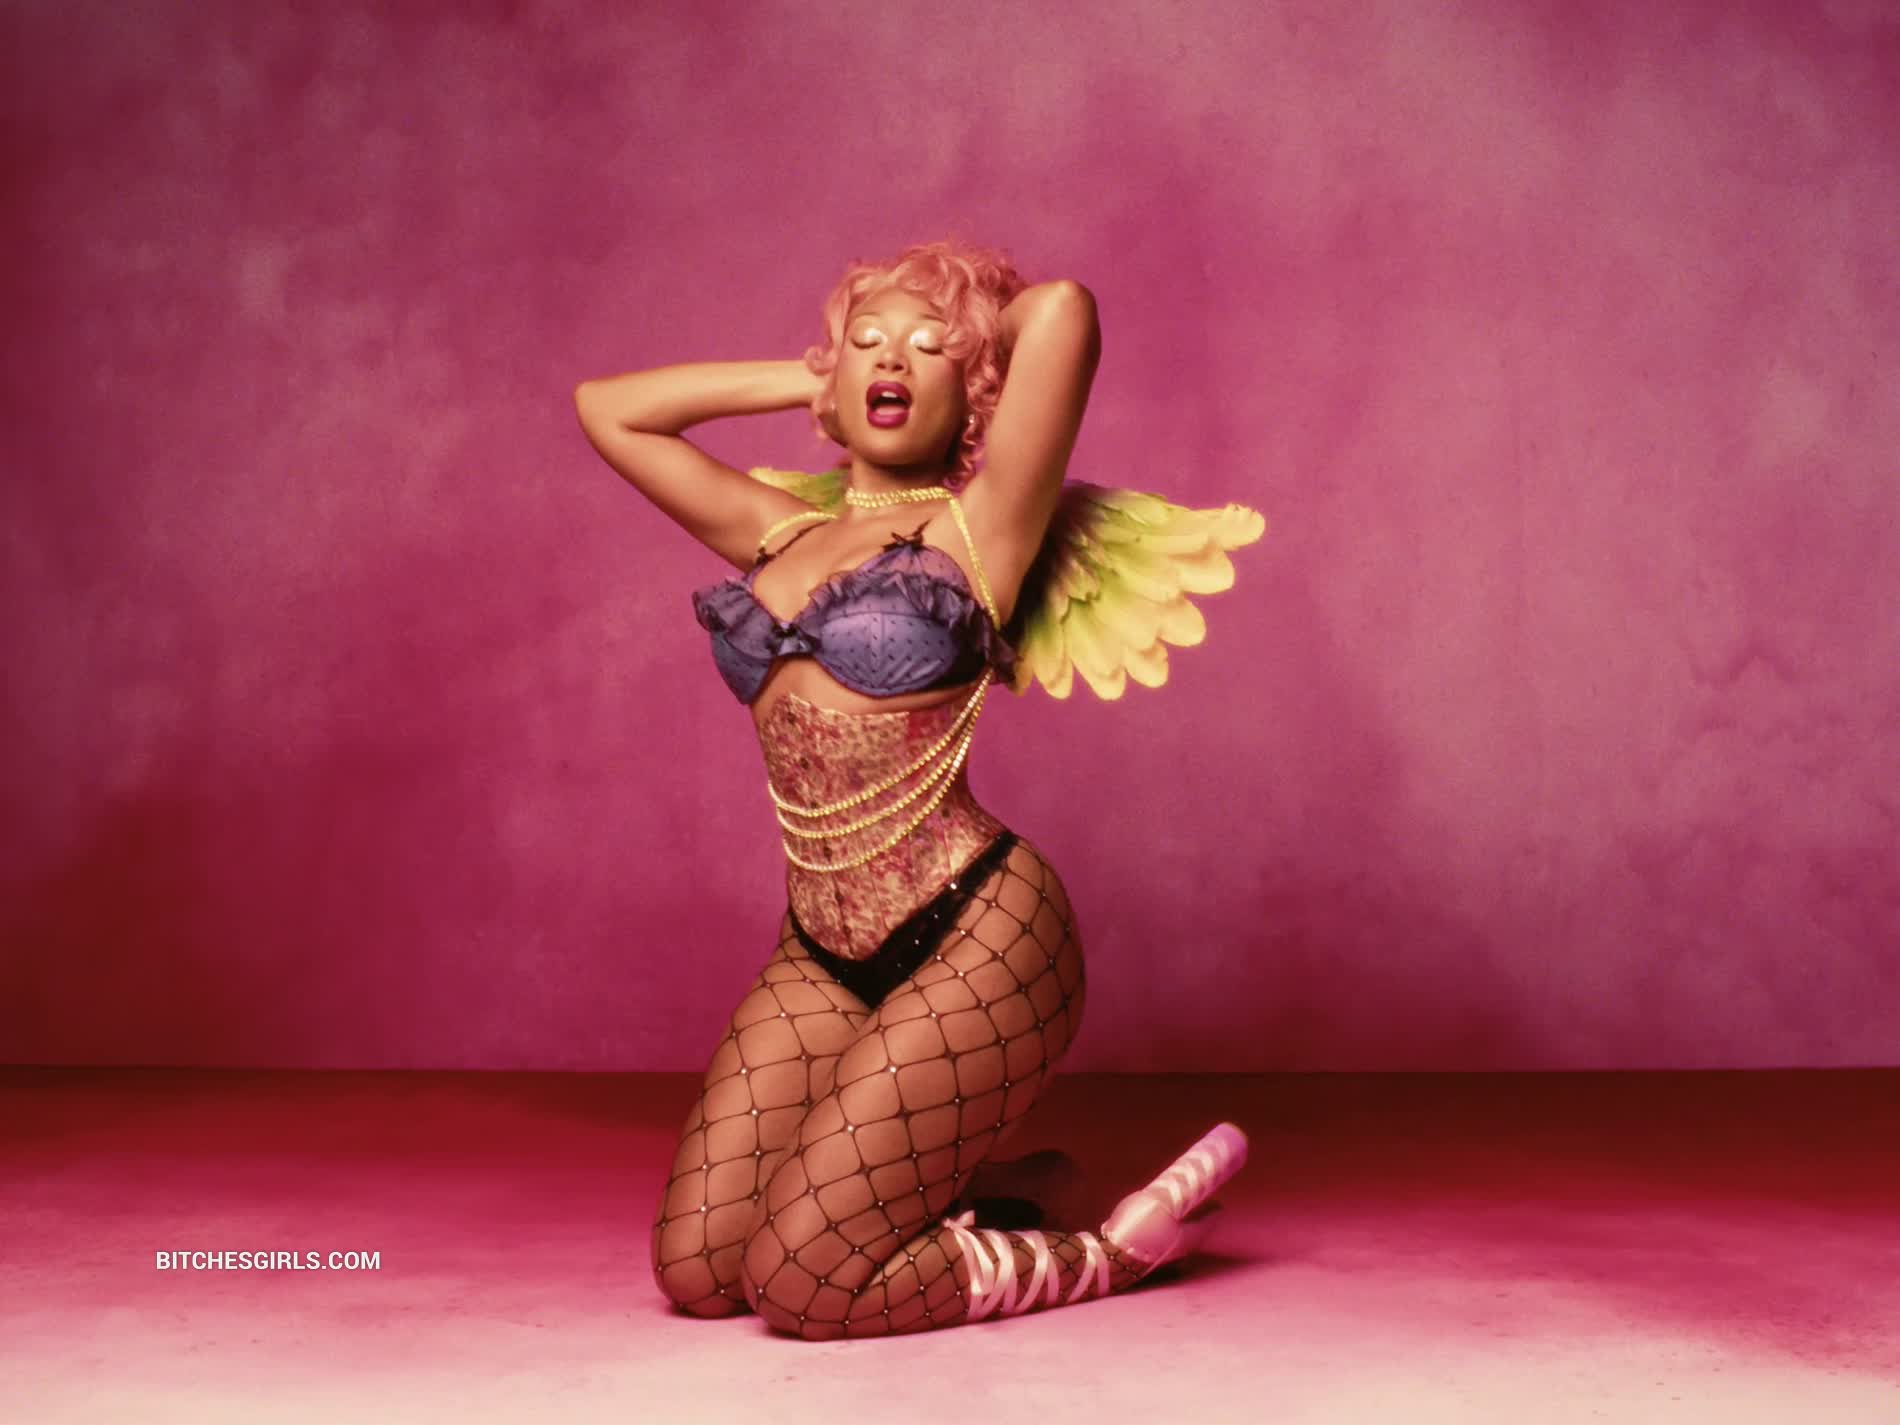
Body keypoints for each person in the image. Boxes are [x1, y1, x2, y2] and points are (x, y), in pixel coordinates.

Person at [574, 239, 1257, 1339]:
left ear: (975, 392)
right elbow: (609, 411)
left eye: (930, 349)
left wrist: (968, 341)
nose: (893, 358)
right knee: (699, 1270)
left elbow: (1063, 310)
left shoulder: (981, 529)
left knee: (805, 1285)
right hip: (822, 948)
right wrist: (814, 378)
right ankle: (995, 1184)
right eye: (869, 341)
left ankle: (1111, 1252)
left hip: (982, 933)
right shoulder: (775, 530)